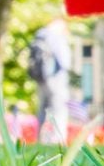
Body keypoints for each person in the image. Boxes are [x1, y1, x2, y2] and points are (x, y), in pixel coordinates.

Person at [27, 15, 71, 144]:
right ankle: (58, 139)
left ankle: (39, 138)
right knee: (59, 109)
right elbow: (65, 61)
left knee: (42, 110)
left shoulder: (40, 36)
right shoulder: (57, 37)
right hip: (56, 79)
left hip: (41, 79)